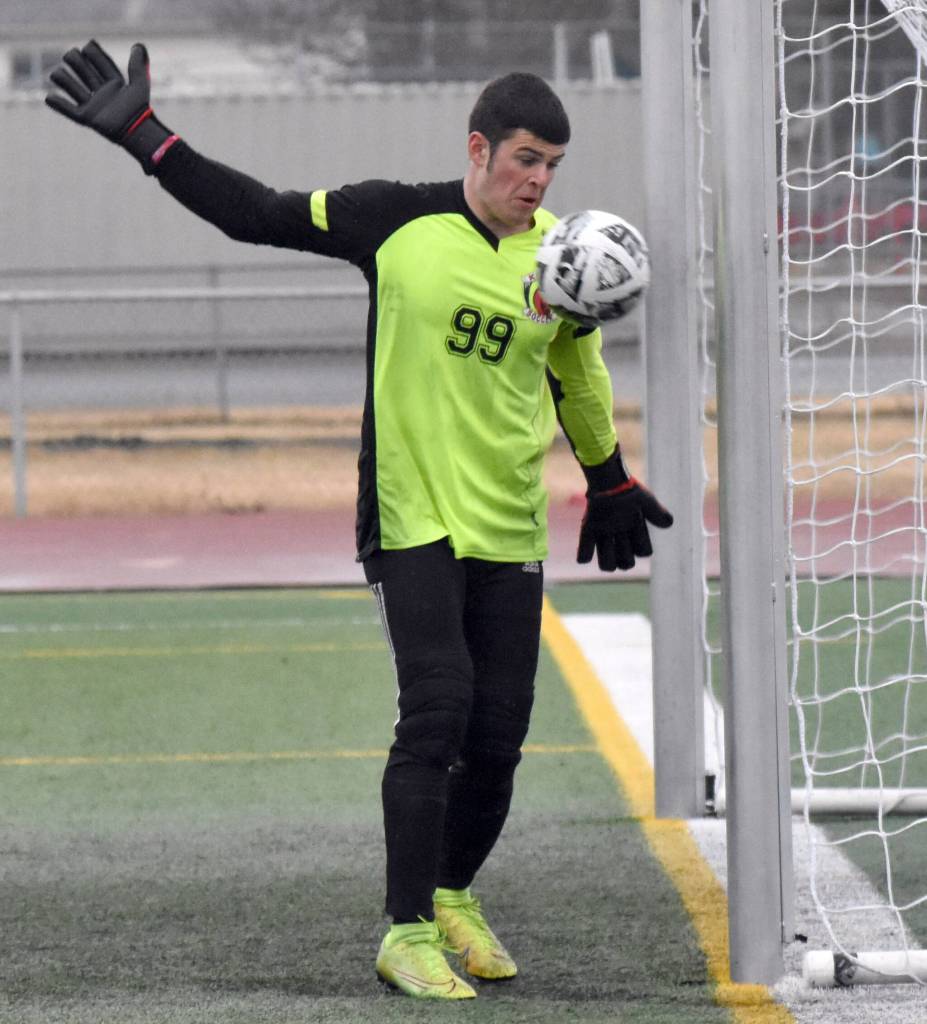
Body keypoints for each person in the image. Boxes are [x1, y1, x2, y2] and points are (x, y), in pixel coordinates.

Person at [45, 40, 673, 1001]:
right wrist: (145, 135)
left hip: (507, 523)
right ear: (478, 148)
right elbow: (256, 213)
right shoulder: (394, 219)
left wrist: (609, 478)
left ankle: (452, 896)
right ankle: (406, 932)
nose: (538, 182)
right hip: (409, 513)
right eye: (524, 160)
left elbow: (575, 374)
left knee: (500, 736)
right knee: (438, 708)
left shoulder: (561, 258)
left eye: (552, 166)